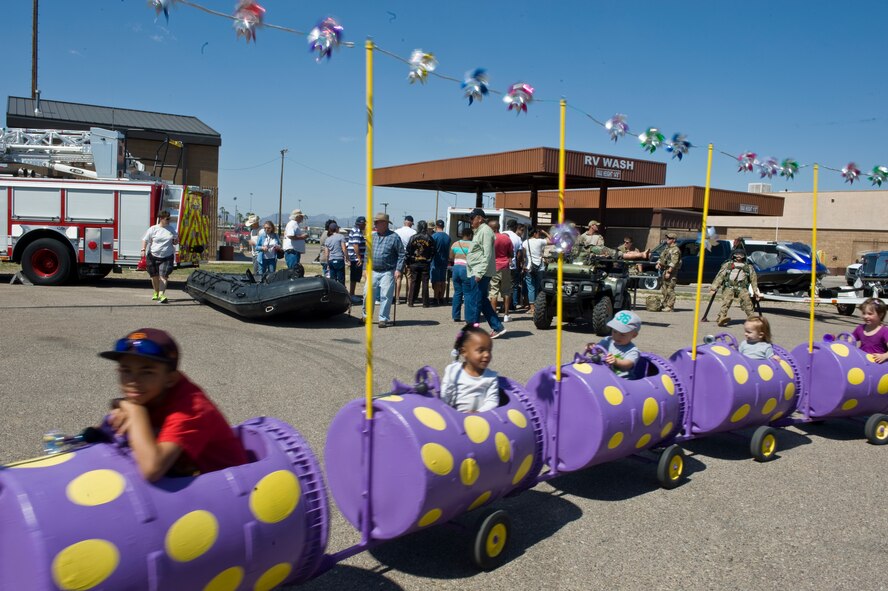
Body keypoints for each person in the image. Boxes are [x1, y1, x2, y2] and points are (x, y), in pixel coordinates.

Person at [99, 328, 248, 481]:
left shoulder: (192, 409)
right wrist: (121, 405)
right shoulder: (150, 391)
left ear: (170, 379)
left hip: (226, 483)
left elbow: (152, 469)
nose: (133, 381)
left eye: (147, 372)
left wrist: (135, 411)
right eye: (126, 370)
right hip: (185, 468)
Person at [466, 208, 507, 339]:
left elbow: (487, 254)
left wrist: (480, 272)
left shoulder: (485, 231)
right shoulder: (480, 231)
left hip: (480, 272)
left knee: (476, 301)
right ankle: (497, 327)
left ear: (479, 218)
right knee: (482, 301)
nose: (470, 221)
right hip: (478, 271)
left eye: (472, 218)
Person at [441, 324, 500, 413]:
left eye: (489, 350)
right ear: (464, 352)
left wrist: (478, 412)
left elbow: (492, 401)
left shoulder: (491, 377)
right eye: (481, 350)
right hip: (455, 420)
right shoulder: (453, 371)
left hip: (479, 421)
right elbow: (444, 396)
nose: (487, 355)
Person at [363, 212, 405, 328]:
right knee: (367, 293)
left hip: (388, 270)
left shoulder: (394, 237)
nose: (375, 224)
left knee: (386, 295)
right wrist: (364, 269)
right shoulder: (372, 236)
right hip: (372, 270)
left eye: (377, 222)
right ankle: (366, 316)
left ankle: (383, 319)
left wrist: (398, 269)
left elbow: (402, 254)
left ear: (385, 224)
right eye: (375, 222)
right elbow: (367, 254)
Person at [710, 248, 762, 327]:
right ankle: (721, 318)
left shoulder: (748, 267)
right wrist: (713, 288)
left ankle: (751, 318)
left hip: (742, 287)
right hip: (729, 286)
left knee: (747, 302)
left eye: (741, 255)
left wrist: (756, 291)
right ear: (733, 255)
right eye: (736, 254)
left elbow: (753, 280)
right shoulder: (728, 265)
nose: (738, 256)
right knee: (726, 302)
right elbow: (720, 276)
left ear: (744, 256)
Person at [589, 310, 642, 378]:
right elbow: (597, 349)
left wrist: (617, 361)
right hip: (607, 376)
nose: (617, 336)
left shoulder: (633, 350)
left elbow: (628, 364)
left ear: (634, 335)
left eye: (622, 334)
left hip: (623, 381)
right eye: (614, 331)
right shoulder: (608, 340)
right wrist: (591, 347)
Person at [141, 209, 179, 304]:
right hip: (153, 255)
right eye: (167, 219)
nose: (169, 220)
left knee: (164, 276)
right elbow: (145, 239)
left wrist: (175, 241)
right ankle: (156, 292)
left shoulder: (171, 229)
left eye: (169, 219)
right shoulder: (153, 229)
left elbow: (175, 241)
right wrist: (143, 249)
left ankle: (162, 295)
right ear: (161, 219)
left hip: (167, 256)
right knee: (154, 276)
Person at [488, 220, 514, 321]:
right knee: (506, 291)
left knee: (493, 291)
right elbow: (511, 254)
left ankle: (494, 315)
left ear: (494, 228)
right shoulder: (506, 238)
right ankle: (506, 315)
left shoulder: (490, 238)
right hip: (505, 266)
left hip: (493, 267)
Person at [405, 220, 435, 307]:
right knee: (425, 283)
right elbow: (433, 251)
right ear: (425, 227)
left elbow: (408, 251)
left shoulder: (413, 237)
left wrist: (408, 262)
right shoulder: (429, 238)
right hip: (425, 263)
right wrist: (429, 259)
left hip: (414, 263)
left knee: (414, 282)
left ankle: (411, 302)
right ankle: (425, 303)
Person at [449, 227, 473, 323]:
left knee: (457, 293)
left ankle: (456, 316)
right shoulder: (472, 245)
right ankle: (468, 317)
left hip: (456, 269)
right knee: (467, 294)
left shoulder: (455, 244)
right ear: (470, 235)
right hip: (466, 269)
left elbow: (451, 257)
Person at [853, 298, 888, 363]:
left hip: (878, 364)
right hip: (862, 361)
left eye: (870, 314)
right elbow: (850, 340)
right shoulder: (860, 328)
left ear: (880, 315)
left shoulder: (885, 331)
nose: (866, 316)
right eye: (864, 313)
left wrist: (884, 356)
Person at [523, 227, 547, 315]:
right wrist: (544, 232)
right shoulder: (540, 241)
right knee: (539, 287)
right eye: (538, 233)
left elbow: (524, 256)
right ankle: (538, 306)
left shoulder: (525, 242)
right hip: (540, 267)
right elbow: (553, 241)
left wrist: (524, 265)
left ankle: (532, 308)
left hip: (529, 267)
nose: (539, 234)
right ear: (534, 234)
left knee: (531, 288)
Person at [503, 220, 525, 312]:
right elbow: (519, 254)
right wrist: (519, 265)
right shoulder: (517, 238)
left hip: (499, 264)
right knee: (513, 285)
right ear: (515, 227)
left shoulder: (501, 234)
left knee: (501, 286)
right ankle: (513, 304)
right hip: (512, 265)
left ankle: (502, 305)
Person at [657, 232, 682, 312]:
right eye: (667, 238)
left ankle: (670, 306)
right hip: (665, 270)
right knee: (664, 289)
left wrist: (669, 272)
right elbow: (662, 257)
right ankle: (665, 304)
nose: (667, 240)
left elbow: (674, 262)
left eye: (669, 238)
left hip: (671, 272)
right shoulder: (667, 248)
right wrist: (658, 263)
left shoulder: (675, 250)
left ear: (673, 240)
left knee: (670, 289)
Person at [394, 215, 417, 303]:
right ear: (411, 223)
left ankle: (397, 298)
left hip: (398, 256)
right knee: (409, 278)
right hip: (409, 257)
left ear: (404, 222)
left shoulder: (397, 231)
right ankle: (409, 298)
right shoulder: (414, 232)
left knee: (398, 277)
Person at [431, 220, 452, 306]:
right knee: (443, 280)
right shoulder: (448, 237)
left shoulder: (434, 236)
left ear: (436, 226)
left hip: (435, 260)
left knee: (436, 281)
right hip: (444, 260)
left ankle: (436, 298)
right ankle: (442, 297)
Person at [347, 216, 367, 297]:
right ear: (361, 223)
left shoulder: (355, 230)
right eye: (364, 223)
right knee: (354, 277)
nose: (365, 225)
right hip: (356, 258)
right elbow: (355, 245)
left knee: (355, 277)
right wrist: (359, 258)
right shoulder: (357, 231)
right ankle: (352, 294)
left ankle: (352, 294)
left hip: (355, 258)